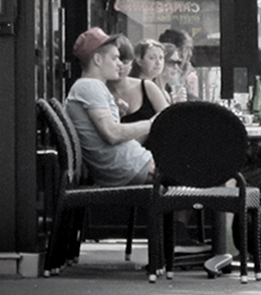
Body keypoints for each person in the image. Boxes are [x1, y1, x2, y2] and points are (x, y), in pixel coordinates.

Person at [65, 28, 155, 186]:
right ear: (98, 60)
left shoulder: (87, 87)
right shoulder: (90, 87)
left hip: (133, 166)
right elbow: (112, 134)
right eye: (114, 58)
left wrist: (117, 115)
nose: (120, 64)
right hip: (133, 168)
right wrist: (152, 124)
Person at [107, 36, 170, 129]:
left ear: (131, 63)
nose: (119, 65)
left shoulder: (148, 86)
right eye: (152, 58)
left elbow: (170, 119)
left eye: (124, 62)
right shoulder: (100, 89)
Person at [159, 28, 199, 100]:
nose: (190, 54)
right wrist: (184, 76)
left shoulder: (181, 71)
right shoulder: (167, 72)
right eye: (187, 49)